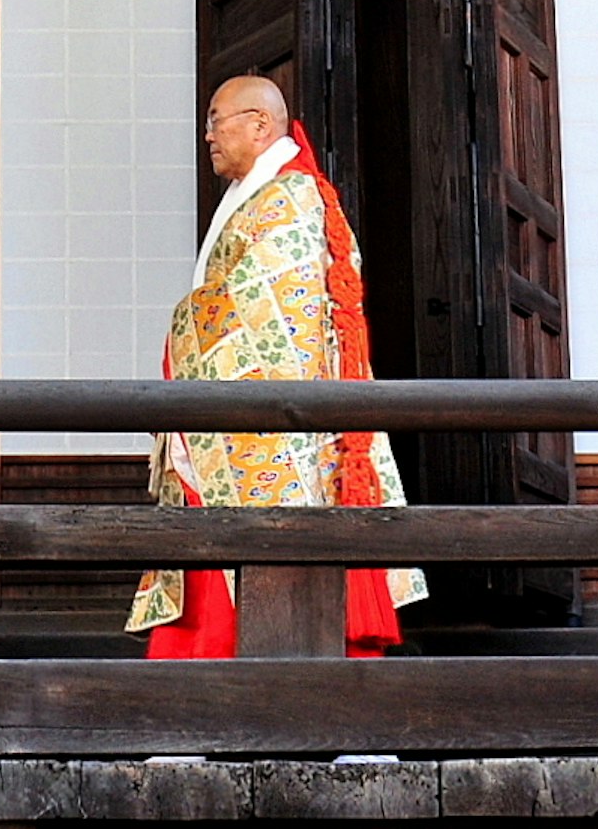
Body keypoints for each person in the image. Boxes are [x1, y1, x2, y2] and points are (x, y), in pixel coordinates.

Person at [130, 74, 424, 658]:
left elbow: (264, 314)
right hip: (253, 421)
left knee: (270, 558)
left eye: (217, 119)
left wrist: (185, 324)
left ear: (259, 124)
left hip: (281, 431)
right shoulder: (267, 195)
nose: (207, 134)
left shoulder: (289, 200)